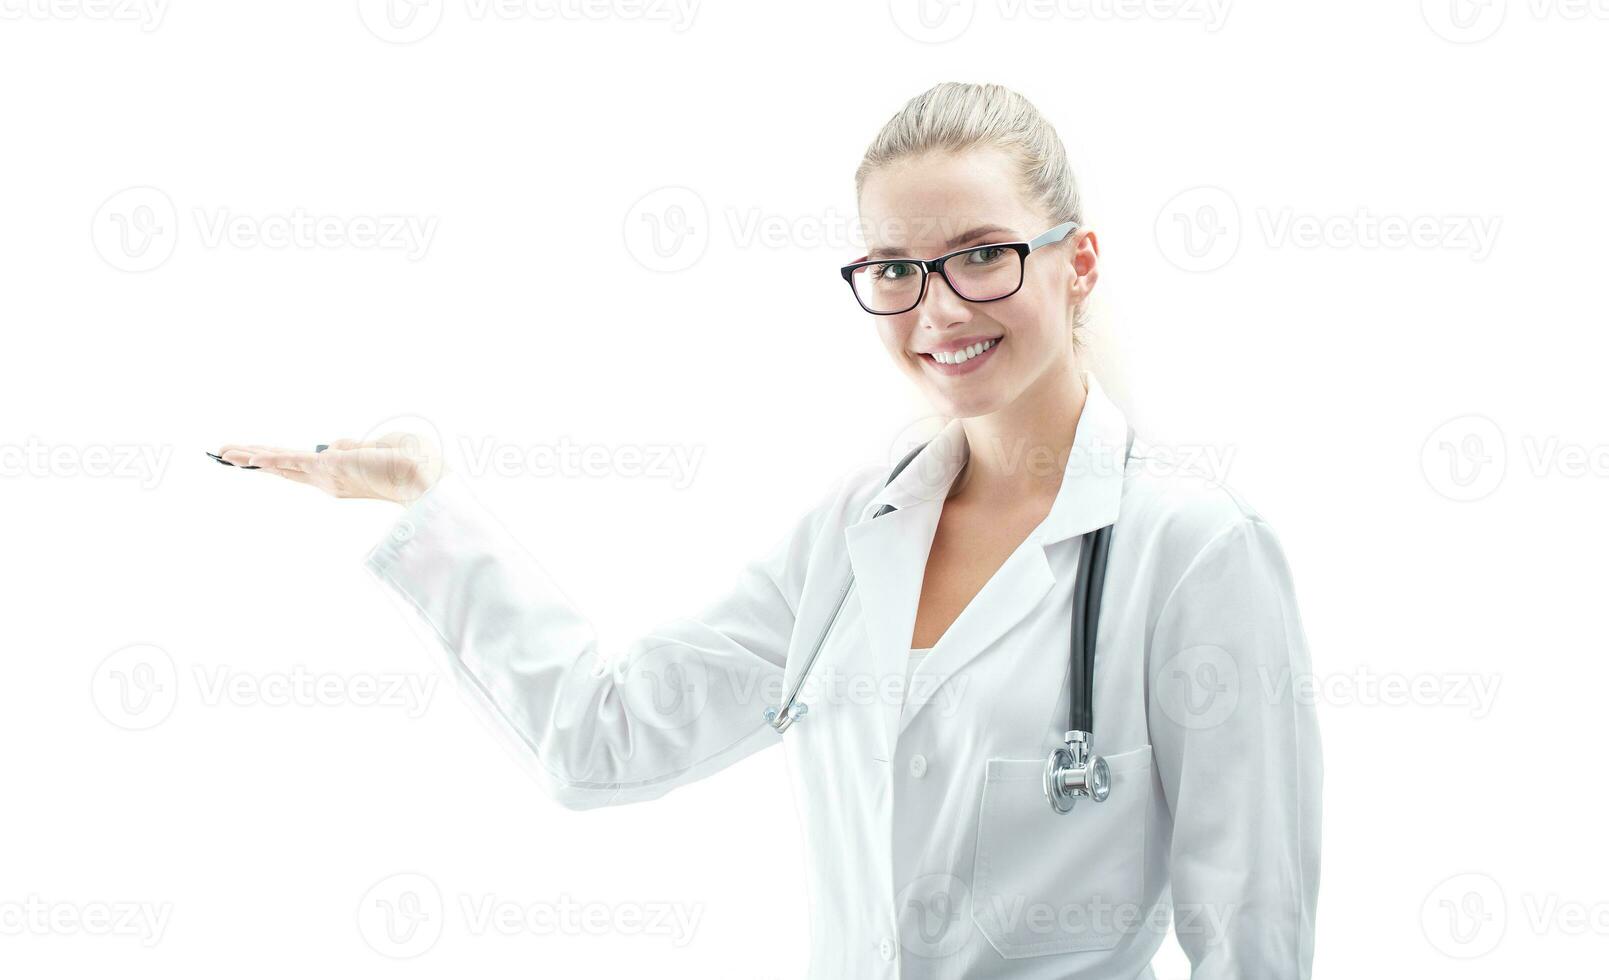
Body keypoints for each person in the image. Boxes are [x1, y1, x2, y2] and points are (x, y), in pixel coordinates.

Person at [216, 81, 1321, 979]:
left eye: (980, 254)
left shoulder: (1193, 552)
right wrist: (427, 505)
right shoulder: (857, 531)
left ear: (1075, 261)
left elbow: (1252, 936)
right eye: (895, 268)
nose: (937, 311)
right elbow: (603, 738)